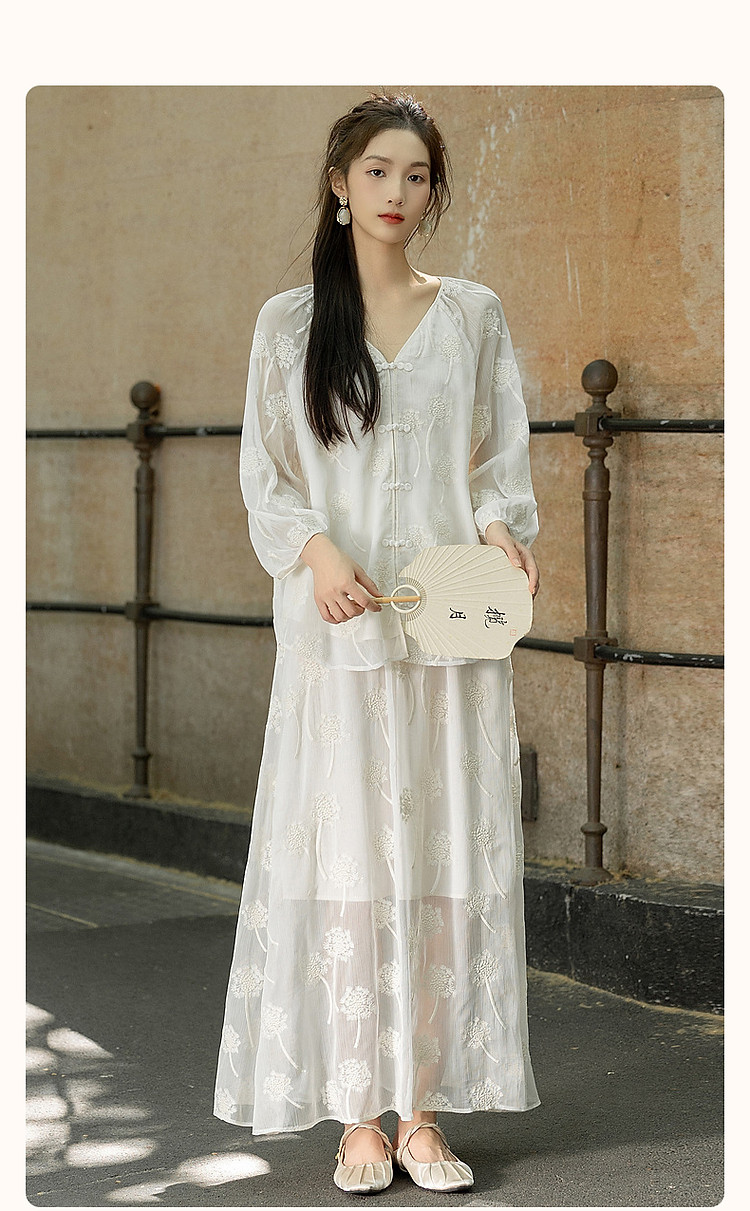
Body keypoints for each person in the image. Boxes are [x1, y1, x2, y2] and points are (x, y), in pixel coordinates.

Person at [213, 92, 541, 1195]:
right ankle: (359, 1111)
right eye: (377, 171)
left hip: (449, 620)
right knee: (347, 858)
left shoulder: (474, 313)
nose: (398, 192)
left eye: (416, 175)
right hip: (340, 631)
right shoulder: (289, 324)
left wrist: (501, 527)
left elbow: (497, 458)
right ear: (340, 184)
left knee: (446, 853)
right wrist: (315, 554)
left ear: (432, 191)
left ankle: (425, 1109)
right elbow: (268, 475)